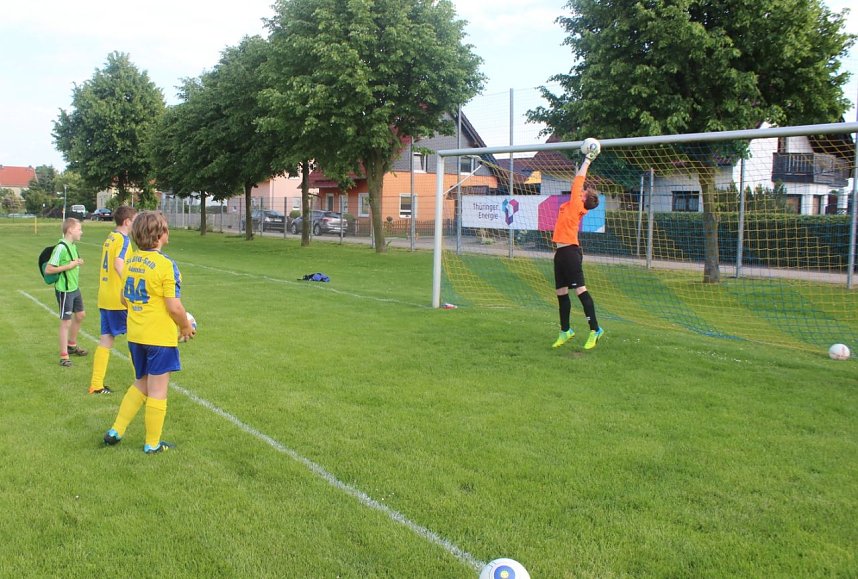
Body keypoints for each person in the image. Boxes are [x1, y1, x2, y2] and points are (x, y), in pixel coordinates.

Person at [103, 211, 195, 454]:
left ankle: (116, 430)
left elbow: (124, 298)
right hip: (159, 338)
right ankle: (152, 443)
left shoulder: (131, 261)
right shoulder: (166, 265)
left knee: (141, 384)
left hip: (136, 335)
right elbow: (174, 306)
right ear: (160, 234)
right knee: (157, 390)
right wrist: (185, 325)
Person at [551, 147, 604, 350]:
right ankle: (566, 330)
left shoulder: (576, 204)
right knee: (561, 292)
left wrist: (587, 159)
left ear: (583, 198)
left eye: (582, 192)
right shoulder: (572, 207)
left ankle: (595, 329)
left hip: (571, 252)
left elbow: (578, 180)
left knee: (580, 290)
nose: (580, 191)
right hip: (561, 252)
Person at [88, 206, 137, 395]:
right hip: (119, 298)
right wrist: (130, 282)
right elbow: (118, 263)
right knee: (136, 337)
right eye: (134, 220)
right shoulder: (124, 240)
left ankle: (96, 384)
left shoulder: (110, 237)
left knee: (106, 339)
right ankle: (142, 383)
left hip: (105, 296)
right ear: (127, 222)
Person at [44, 218, 87, 366]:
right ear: (70, 230)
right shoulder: (61, 247)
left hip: (74, 288)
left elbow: (72, 262)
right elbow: (48, 269)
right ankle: (64, 356)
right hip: (65, 290)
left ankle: (72, 345)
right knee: (65, 322)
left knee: (80, 315)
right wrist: (69, 266)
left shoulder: (72, 246)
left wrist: (77, 262)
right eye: (79, 229)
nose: (81, 232)